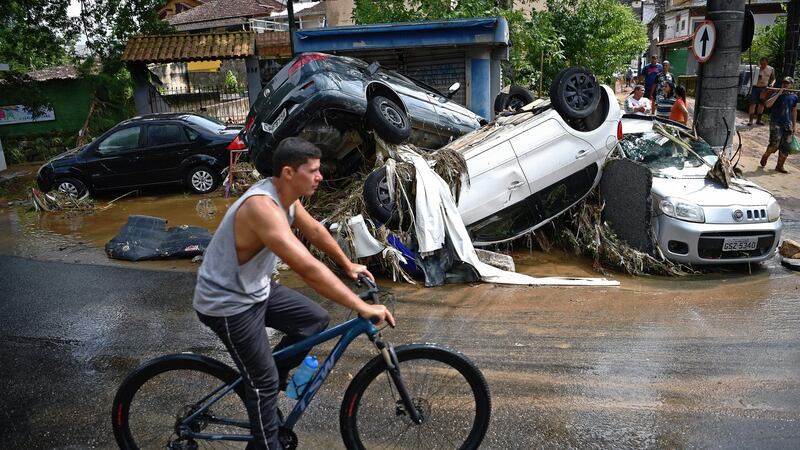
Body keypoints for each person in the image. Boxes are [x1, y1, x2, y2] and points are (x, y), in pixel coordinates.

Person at [193, 136, 395, 449]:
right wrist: (361, 306)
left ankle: (263, 376)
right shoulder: (262, 208)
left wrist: (348, 264)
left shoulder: (287, 198)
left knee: (314, 321)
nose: (320, 176)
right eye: (313, 170)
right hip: (226, 303)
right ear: (289, 173)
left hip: (255, 289)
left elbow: (314, 229)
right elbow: (308, 269)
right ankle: (264, 416)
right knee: (263, 383)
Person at [760, 76, 798, 173]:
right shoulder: (776, 93)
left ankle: (779, 166)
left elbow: (794, 111)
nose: (785, 84)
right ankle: (766, 155)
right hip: (776, 122)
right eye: (784, 82)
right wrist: (778, 94)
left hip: (787, 123)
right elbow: (767, 104)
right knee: (774, 144)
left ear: (791, 85)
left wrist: (794, 125)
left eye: (787, 83)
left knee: (785, 146)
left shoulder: (794, 96)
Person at [749, 57, 776, 126]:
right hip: (755, 87)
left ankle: (758, 120)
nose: (762, 65)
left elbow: (773, 79)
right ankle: (750, 121)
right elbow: (750, 78)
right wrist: (756, 77)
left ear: (767, 63)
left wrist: (772, 84)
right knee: (753, 104)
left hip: (764, 88)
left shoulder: (771, 69)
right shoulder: (756, 68)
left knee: (761, 104)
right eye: (761, 63)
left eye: (764, 63)